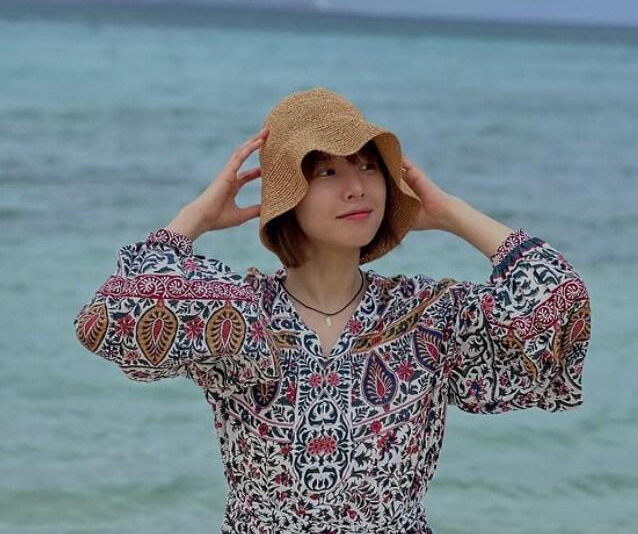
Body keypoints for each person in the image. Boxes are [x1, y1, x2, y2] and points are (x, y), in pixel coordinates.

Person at [74, 87, 592, 534]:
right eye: (327, 170)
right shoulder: (240, 315)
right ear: (288, 196)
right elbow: (109, 317)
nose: (356, 187)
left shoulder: (426, 318)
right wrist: (195, 218)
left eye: (368, 166)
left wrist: (452, 213)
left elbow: (560, 304)